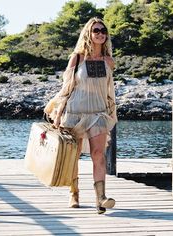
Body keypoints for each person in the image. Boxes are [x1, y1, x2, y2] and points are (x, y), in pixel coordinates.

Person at [44, 17, 117, 214]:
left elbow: (109, 90)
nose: (100, 33)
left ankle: (100, 198)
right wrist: (58, 113)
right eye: (96, 30)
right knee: (72, 156)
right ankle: (74, 193)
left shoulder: (109, 61)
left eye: (103, 30)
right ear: (88, 33)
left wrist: (111, 110)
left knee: (98, 155)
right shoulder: (77, 58)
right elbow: (66, 88)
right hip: (75, 112)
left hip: (98, 113)